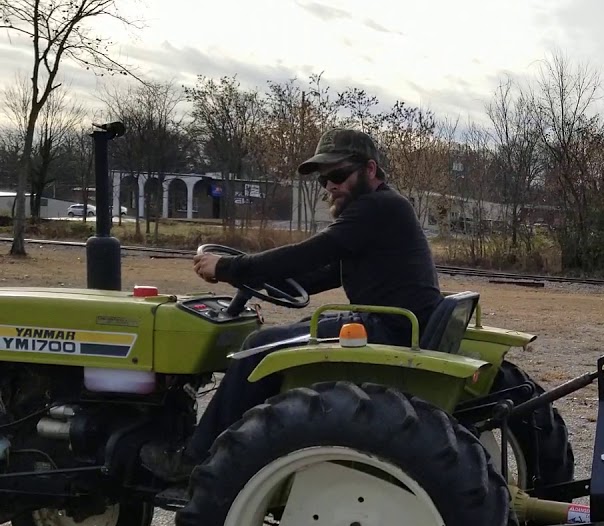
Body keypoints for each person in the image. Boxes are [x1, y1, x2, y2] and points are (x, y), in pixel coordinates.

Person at [141, 128, 443, 483]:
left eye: (338, 175)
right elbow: (327, 271)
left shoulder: (377, 207)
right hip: (391, 323)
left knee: (256, 349)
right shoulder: (384, 209)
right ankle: (244, 446)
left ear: (371, 170)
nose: (330, 186)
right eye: (323, 180)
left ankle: (195, 458)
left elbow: (312, 252)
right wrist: (267, 280)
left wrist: (230, 268)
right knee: (285, 336)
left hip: (386, 328)